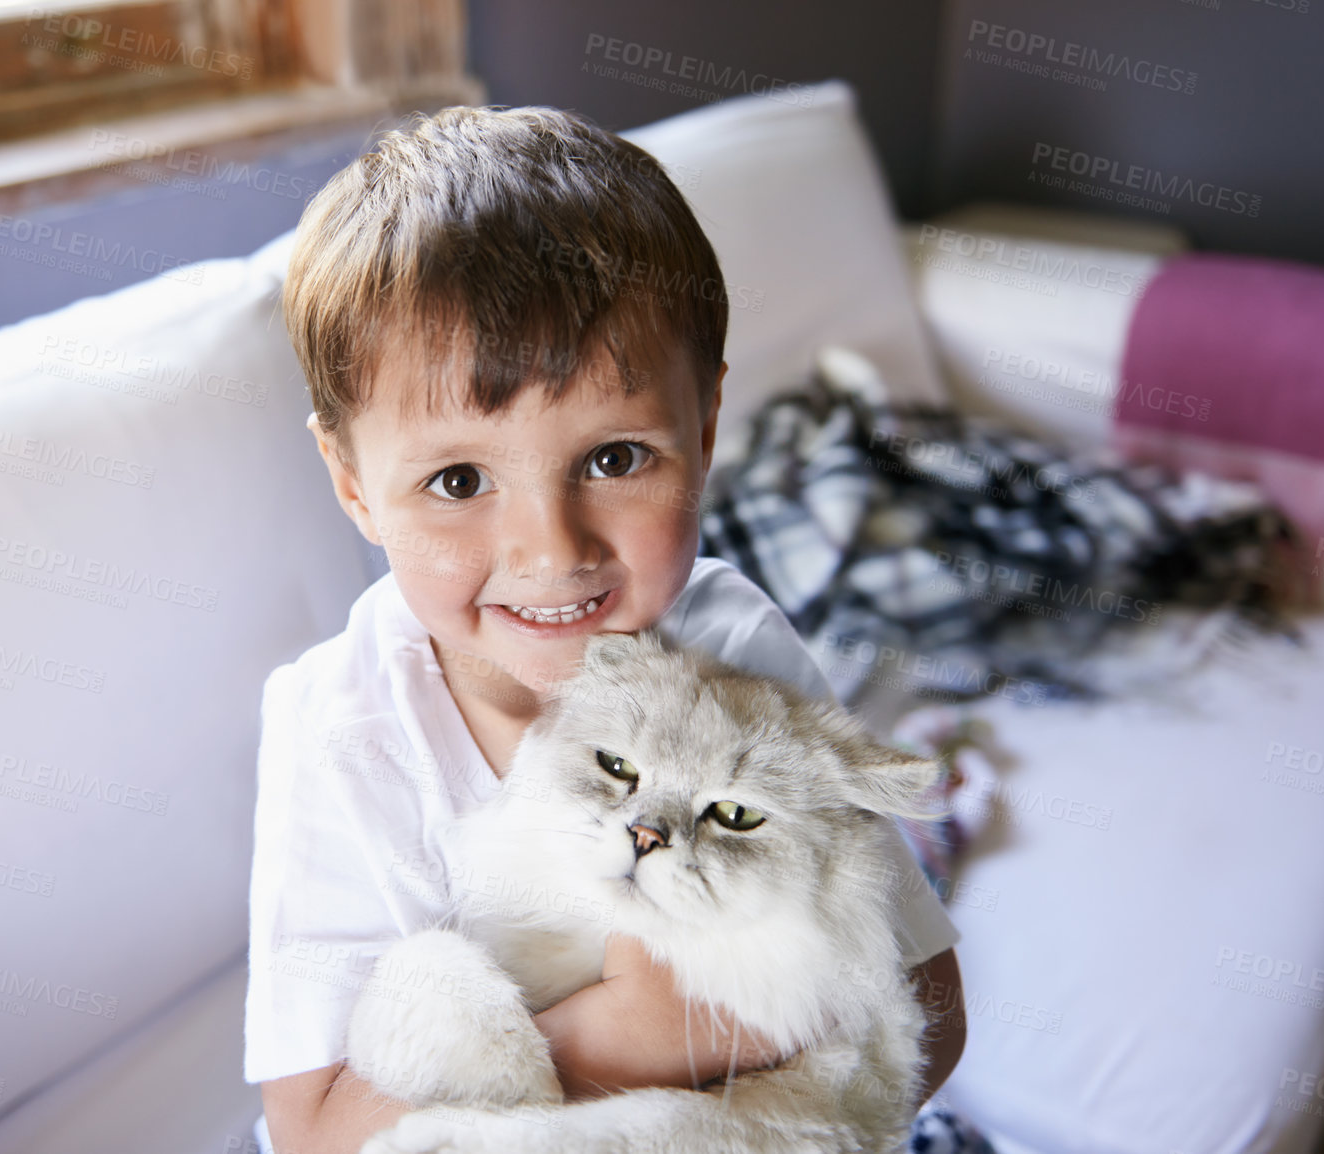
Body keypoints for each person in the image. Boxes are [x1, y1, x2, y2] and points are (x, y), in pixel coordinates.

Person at [244, 105, 966, 1154]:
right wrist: (626, 1038)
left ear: (705, 428)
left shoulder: (728, 638)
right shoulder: (341, 723)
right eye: (457, 480)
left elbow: (927, 1013)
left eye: (616, 457)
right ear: (353, 484)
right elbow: (312, 1133)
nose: (550, 550)